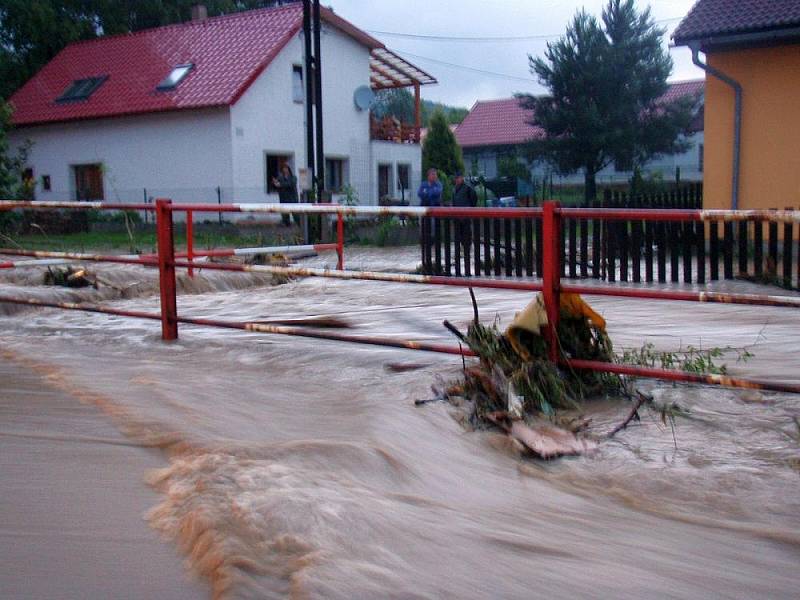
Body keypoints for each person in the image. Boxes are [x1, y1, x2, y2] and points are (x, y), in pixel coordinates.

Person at [452, 171, 477, 273]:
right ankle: (457, 271)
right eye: (456, 178)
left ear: (462, 178)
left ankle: (467, 271)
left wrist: (469, 211)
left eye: (459, 178)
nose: (457, 180)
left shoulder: (468, 188)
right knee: (457, 246)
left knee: (467, 246)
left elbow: (474, 199)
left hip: (465, 220)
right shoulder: (454, 190)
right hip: (457, 220)